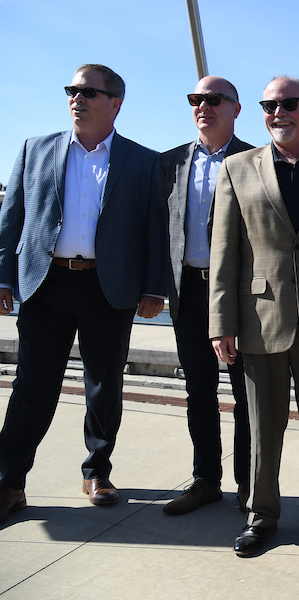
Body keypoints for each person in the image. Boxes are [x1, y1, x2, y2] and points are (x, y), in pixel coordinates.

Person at [0, 64, 168, 521]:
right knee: (32, 386)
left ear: (115, 103)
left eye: (88, 92)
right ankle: (9, 482)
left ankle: (97, 471)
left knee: (104, 385)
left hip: (108, 287)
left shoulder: (143, 161)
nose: (77, 98)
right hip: (45, 284)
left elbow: (156, 229)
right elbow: (12, 217)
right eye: (72, 90)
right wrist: (3, 277)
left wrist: (154, 288)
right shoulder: (35, 149)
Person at [209, 76, 299, 557]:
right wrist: (221, 322)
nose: (278, 113)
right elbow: (224, 250)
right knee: (262, 429)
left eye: (288, 103)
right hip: (259, 319)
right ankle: (261, 516)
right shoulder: (236, 168)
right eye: (269, 106)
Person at [159, 76, 254, 516]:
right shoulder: (170, 163)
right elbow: (157, 228)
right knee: (198, 391)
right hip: (188, 293)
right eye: (196, 99)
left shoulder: (256, 160)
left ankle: (249, 485)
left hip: (239, 297)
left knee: (246, 396)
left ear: (236, 109)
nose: (203, 106)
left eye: (214, 99)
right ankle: (205, 481)